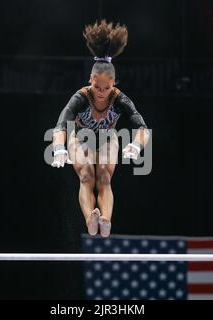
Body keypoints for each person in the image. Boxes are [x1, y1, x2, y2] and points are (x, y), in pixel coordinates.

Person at [51, 20, 150, 237]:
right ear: (90, 80)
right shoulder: (81, 96)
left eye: (107, 87)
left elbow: (143, 128)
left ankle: (105, 220)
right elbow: (61, 124)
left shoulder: (120, 99)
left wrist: (136, 145)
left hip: (107, 138)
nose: (102, 92)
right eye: (97, 86)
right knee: (86, 175)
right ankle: (90, 219)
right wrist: (58, 148)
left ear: (114, 83)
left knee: (104, 177)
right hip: (80, 137)